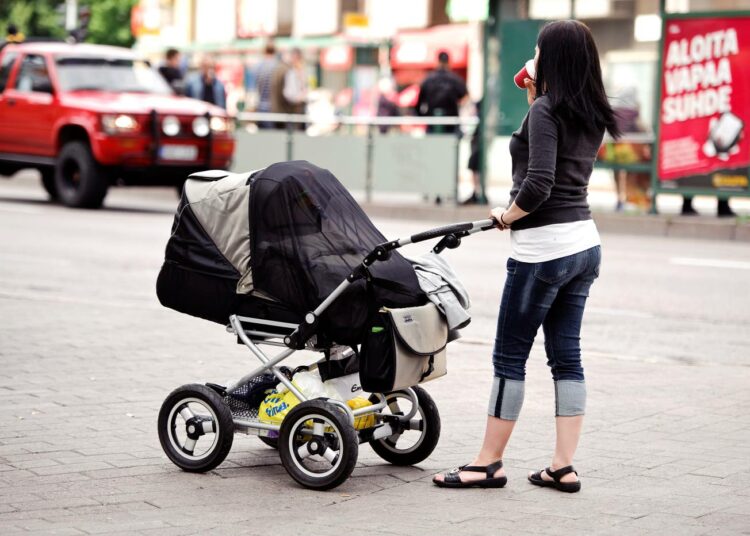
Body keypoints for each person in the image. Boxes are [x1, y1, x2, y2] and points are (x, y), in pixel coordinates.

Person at [433, 20, 620, 492]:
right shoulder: (591, 110)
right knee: (567, 357)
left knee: (509, 356)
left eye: (538, 49)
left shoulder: (546, 111)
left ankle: (487, 462)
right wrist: (536, 99)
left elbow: (539, 184)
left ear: (550, 58)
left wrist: (507, 215)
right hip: (584, 243)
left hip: (543, 250)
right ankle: (563, 465)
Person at [416, 51, 468, 134]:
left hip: (432, 124)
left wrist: (424, 117)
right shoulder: (455, 79)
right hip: (451, 123)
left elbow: (419, 103)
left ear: (437, 61)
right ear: (449, 62)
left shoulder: (428, 79)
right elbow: (466, 98)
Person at [271, 48, 307, 130]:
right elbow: (289, 94)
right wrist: (300, 98)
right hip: (289, 112)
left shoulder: (281, 68)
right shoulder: (289, 71)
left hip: (281, 111)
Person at [253, 42, 278, 129]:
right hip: (273, 108)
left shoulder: (258, 67)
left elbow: (255, 87)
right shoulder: (277, 66)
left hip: (260, 107)